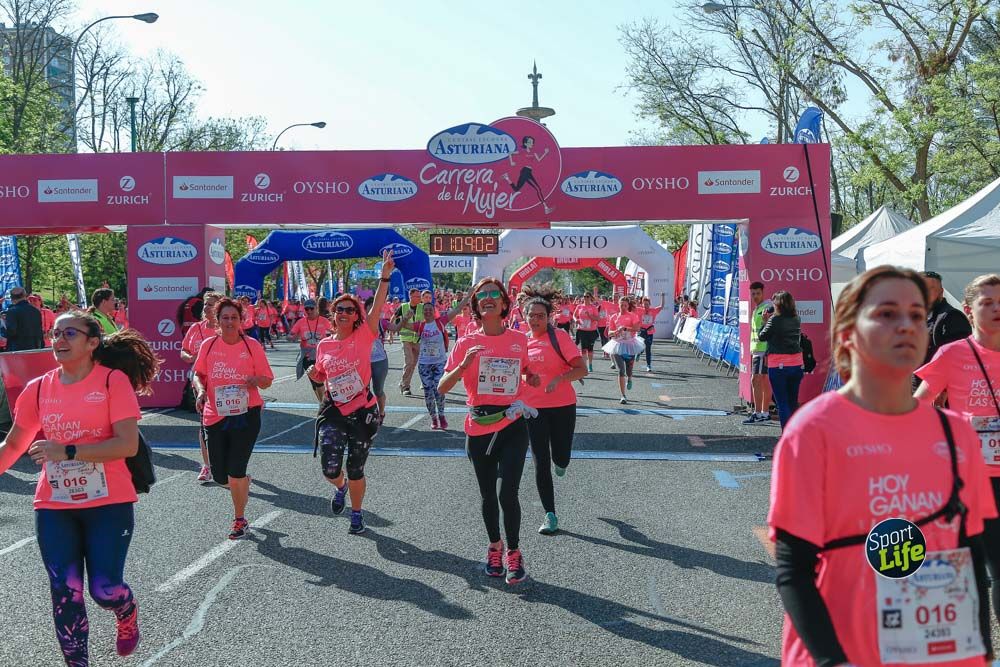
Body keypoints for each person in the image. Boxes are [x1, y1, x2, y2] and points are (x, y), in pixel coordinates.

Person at [768, 265, 995, 667]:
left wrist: (980, 653)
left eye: (915, 315)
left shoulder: (956, 434)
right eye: (887, 313)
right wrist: (832, 661)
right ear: (848, 333)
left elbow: (970, 554)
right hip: (846, 652)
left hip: (941, 654)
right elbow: (793, 569)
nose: (905, 325)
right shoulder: (813, 429)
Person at [0, 311, 160, 665]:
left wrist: (67, 450)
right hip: (55, 504)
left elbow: (126, 445)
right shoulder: (38, 388)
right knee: (65, 592)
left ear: (92, 342)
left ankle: (126, 610)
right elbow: (13, 446)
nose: (58, 339)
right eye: (54, 333)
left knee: (104, 589)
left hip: (109, 502)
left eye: (69, 333)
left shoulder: (111, 383)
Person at [438, 277, 541, 585]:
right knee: (487, 495)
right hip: (479, 426)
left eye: (493, 294)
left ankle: (513, 552)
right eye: (481, 295)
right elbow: (441, 387)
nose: (487, 298)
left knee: (507, 493)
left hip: (512, 424)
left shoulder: (518, 339)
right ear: (476, 306)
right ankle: (493, 547)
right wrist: (463, 364)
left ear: (504, 303)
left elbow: (524, 370)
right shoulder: (465, 342)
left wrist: (532, 377)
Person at [915, 274, 1000, 624]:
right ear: (968, 310)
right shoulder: (953, 354)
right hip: (969, 478)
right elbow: (920, 405)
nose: (998, 309)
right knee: (968, 565)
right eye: (988, 303)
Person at [307, 251, 395, 535]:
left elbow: (379, 305)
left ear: (357, 316)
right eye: (339, 310)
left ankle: (357, 514)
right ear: (332, 315)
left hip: (362, 412)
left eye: (350, 310)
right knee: (330, 469)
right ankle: (340, 487)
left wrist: (384, 277)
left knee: (356, 468)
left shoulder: (364, 335)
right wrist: (315, 376)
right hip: (333, 410)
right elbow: (321, 377)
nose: (344, 313)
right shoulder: (324, 346)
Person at [192, 298, 274, 539]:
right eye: (225, 318)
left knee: (235, 470)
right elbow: (198, 374)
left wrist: (256, 380)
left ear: (241, 321)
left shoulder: (252, 346)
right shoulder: (208, 345)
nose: (229, 322)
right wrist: (201, 390)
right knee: (220, 476)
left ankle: (240, 519)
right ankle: (241, 481)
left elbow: (267, 381)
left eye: (234, 318)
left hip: (246, 414)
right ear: (217, 321)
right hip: (215, 414)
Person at [520, 285, 588, 535]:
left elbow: (582, 369)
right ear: (524, 316)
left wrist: (559, 379)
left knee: (561, 456)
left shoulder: (559, 337)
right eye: (531, 315)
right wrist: (527, 378)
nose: (536, 320)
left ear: (548, 317)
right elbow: (515, 372)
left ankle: (562, 461)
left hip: (562, 406)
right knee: (540, 462)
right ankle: (550, 514)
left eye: (541, 316)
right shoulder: (520, 340)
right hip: (533, 409)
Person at [398, 293, 470, 430]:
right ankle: (433, 417)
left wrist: (467, 297)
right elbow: (402, 325)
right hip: (425, 364)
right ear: (423, 313)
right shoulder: (420, 325)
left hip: (439, 363)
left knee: (439, 391)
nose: (428, 312)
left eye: (430, 309)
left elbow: (456, 309)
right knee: (428, 393)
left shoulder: (440, 321)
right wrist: (405, 318)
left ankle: (441, 415)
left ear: (434, 311)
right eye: (425, 310)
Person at [180, 291, 223, 483]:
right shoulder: (195, 328)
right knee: (204, 423)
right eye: (205, 304)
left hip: (223, 382)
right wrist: (189, 357)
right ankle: (207, 465)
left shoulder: (226, 328)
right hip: (200, 383)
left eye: (211, 304)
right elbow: (184, 350)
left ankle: (227, 462)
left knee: (224, 425)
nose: (206, 308)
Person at [758, 291, 803, 431]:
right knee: (792, 402)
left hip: (778, 365)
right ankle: (795, 433)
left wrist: (764, 322)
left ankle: (786, 436)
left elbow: (762, 336)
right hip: (796, 364)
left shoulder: (775, 320)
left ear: (778, 304)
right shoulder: (797, 318)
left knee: (782, 403)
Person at [923, 270, 974, 366]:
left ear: (941, 292)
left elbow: (957, 358)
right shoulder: (916, 317)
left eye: (931, 289)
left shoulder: (952, 317)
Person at [290, 299, 333, 404]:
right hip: (307, 356)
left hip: (320, 355)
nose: (308, 311)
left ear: (316, 308)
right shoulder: (301, 322)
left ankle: (324, 406)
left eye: (311, 308)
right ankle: (321, 404)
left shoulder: (323, 320)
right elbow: (290, 335)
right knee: (314, 383)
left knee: (319, 382)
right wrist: (294, 337)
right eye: (306, 309)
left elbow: (335, 332)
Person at [602, 296, 643, 404]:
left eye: (625, 305)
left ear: (628, 306)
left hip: (630, 344)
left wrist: (625, 328)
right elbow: (609, 333)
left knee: (629, 370)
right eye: (621, 305)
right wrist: (615, 332)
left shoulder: (632, 316)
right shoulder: (613, 317)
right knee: (621, 370)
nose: (623, 307)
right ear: (618, 305)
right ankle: (623, 395)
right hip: (617, 344)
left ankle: (629, 378)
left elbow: (637, 328)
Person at [744, 281, 774, 425]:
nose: (755, 296)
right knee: (762, 380)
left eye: (758, 293)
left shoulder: (767, 307)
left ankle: (759, 413)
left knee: (757, 380)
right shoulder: (757, 308)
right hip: (757, 349)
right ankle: (763, 413)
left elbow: (770, 327)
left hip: (763, 349)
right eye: (753, 293)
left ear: (763, 292)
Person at [502, 135, 554, 214]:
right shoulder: (522, 151)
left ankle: (507, 178)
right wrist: (511, 162)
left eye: (532, 142)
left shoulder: (533, 152)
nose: (531, 143)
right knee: (538, 189)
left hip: (528, 172)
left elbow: (539, 160)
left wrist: (545, 153)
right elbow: (510, 153)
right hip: (525, 171)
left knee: (516, 189)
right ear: (525, 143)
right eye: (529, 142)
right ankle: (546, 208)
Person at [364, 296, 389, 423]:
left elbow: (395, 328)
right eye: (369, 308)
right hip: (364, 361)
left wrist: (404, 319)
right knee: (364, 390)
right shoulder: (360, 324)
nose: (372, 311)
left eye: (374, 308)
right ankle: (367, 414)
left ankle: (381, 412)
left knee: (378, 390)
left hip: (380, 360)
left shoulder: (381, 322)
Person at [395, 288, 424, 396]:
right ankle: (405, 387)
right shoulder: (404, 307)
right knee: (409, 362)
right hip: (406, 338)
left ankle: (403, 382)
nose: (419, 298)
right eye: (417, 296)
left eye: (420, 296)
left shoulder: (422, 307)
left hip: (417, 339)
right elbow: (394, 318)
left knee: (414, 364)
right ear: (411, 296)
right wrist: (391, 332)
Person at [4, 286, 44, 351]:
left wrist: (3, 326)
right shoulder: (36, 311)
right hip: (34, 348)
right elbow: (39, 332)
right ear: (25, 296)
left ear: (11, 298)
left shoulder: (12, 311)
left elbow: (11, 332)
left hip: (17, 350)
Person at [636, 293, 666, 372]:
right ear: (642, 304)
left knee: (648, 349)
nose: (645, 306)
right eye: (644, 304)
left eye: (647, 304)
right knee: (640, 346)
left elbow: (662, 306)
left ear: (649, 304)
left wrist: (662, 296)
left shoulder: (653, 311)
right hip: (641, 331)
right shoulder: (639, 309)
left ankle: (648, 365)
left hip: (649, 331)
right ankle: (639, 353)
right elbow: (632, 307)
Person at [574, 293, 600, 372]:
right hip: (582, 330)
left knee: (590, 349)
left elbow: (597, 318)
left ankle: (590, 364)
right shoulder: (579, 306)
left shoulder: (593, 307)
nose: (585, 298)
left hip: (591, 330)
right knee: (583, 349)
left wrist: (589, 316)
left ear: (590, 298)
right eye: (584, 296)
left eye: (587, 296)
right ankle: (584, 366)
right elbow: (574, 315)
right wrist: (576, 320)